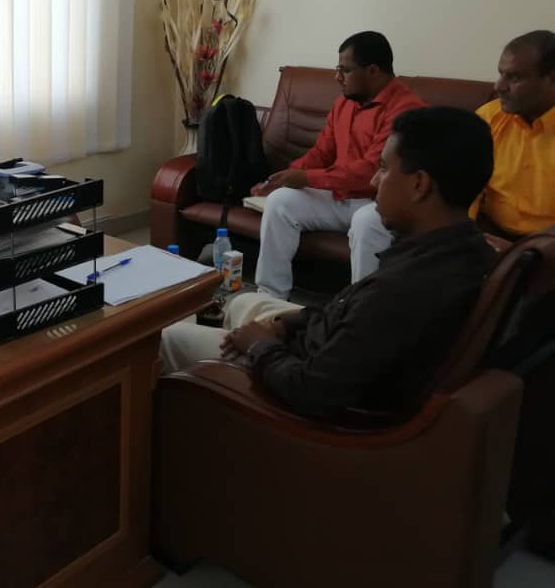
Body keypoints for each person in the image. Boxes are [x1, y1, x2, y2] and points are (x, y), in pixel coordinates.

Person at [161, 107, 496, 422]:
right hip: (317, 346)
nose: (374, 182)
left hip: (297, 384)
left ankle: (194, 399)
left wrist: (260, 345)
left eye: (383, 169)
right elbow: (349, 310)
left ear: (419, 184)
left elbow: (311, 391)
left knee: (165, 337)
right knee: (243, 302)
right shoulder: (464, 249)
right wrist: (285, 325)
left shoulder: (402, 290)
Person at [250, 31, 426, 299]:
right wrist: (280, 179)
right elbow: (322, 152)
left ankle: (360, 310)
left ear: (372, 71)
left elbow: (371, 171)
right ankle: (269, 298)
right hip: (340, 196)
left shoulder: (406, 109)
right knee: (280, 201)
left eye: (345, 70)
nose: (337, 77)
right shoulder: (345, 102)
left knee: (366, 222)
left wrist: (307, 178)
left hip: (380, 201)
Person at [470, 30, 555, 239]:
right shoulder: (488, 118)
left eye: (514, 77)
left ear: (551, 79)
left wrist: (529, 251)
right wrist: (469, 238)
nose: (498, 86)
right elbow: (464, 188)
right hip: (489, 233)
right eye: (501, 74)